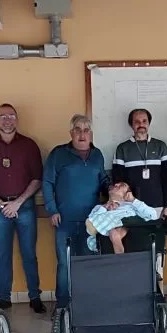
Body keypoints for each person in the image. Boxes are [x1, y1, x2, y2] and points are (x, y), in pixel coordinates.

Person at [0, 104, 45, 312]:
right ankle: (4, 298)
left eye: (11, 116)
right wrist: (1, 204)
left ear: (17, 119)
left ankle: (35, 297)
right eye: (2, 116)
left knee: (29, 254)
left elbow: (37, 178)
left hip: (24, 206)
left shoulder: (29, 145)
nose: (7, 120)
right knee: (2, 254)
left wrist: (18, 203)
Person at [43, 114, 109, 309]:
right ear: (71, 133)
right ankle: (62, 307)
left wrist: (115, 194)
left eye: (86, 130)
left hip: (92, 221)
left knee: (89, 262)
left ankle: (88, 305)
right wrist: (52, 210)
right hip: (65, 219)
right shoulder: (58, 154)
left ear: (91, 134)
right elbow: (47, 182)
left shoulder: (97, 155)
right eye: (78, 130)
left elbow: (103, 181)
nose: (82, 134)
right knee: (65, 264)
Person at [85, 182, 167, 253]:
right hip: (114, 230)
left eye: (121, 185)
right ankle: (120, 261)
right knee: (114, 233)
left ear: (127, 193)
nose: (116, 184)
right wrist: (106, 207)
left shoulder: (132, 204)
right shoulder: (100, 207)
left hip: (135, 228)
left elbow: (151, 214)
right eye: (115, 184)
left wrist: (133, 200)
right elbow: (91, 221)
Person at [112, 108, 167, 209]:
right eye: (137, 121)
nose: (141, 124)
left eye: (144, 121)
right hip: (130, 206)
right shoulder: (122, 148)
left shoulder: (160, 146)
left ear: (149, 123)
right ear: (131, 125)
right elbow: (118, 181)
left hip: (157, 205)